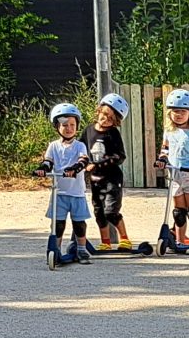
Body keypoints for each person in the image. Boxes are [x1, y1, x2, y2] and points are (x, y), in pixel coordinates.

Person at [36, 100, 96, 265]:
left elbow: (83, 160)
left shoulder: (79, 146)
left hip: (76, 193)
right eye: (64, 125)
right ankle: (55, 249)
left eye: (72, 125)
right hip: (59, 193)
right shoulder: (53, 146)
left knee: (79, 223)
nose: (69, 128)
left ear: (76, 126)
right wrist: (42, 169)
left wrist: (75, 168)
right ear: (57, 127)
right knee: (58, 224)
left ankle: (81, 249)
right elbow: (48, 162)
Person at [160, 87, 189, 250]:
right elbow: (165, 151)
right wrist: (161, 160)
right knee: (178, 213)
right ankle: (179, 242)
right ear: (170, 113)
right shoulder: (169, 132)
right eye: (175, 111)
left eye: (182, 111)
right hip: (175, 175)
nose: (179, 115)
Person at [87, 91, 132, 252]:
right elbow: (81, 150)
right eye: (105, 114)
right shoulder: (89, 130)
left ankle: (125, 239)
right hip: (96, 179)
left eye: (111, 119)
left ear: (116, 122)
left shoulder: (113, 133)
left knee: (111, 211)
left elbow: (120, 156)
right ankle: (105, 242)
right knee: (99, 212)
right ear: (99, 110)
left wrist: (98, 163)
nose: (105, 119)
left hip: (112, 178)